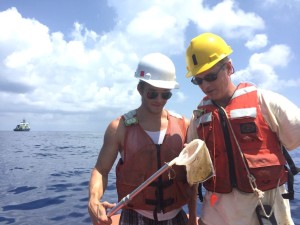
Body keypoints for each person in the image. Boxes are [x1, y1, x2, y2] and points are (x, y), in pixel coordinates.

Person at [185, 32, 300, 225]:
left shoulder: (265, 102)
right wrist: (191, 215)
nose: (205, 85)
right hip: (215, 216)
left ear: (229, 68)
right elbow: (193, 173)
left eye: (211, 76)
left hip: (265, 213)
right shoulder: (198, 118)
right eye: (198, 80)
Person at [88, 52, 197, 225]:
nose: (159, 100)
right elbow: (101, 170)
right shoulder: (119, 128)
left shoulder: (185, 125)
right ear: (140, 89)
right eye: (152, 93)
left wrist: (192, 216)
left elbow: (193, 178)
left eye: (165, 94)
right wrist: (94, 199)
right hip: (135, 217)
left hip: (177, 217)